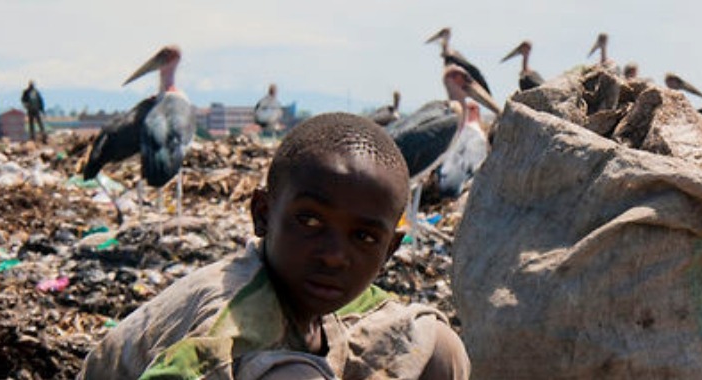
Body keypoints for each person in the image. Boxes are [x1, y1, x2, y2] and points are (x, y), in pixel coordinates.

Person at [80, 113, 470, 379]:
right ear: (263, 214)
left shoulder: (324, 290)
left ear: (388, 252)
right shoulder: (229, 323)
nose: (334, 255)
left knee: (436, 344)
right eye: (310, 221)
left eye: (364, 237)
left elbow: (393, 319)